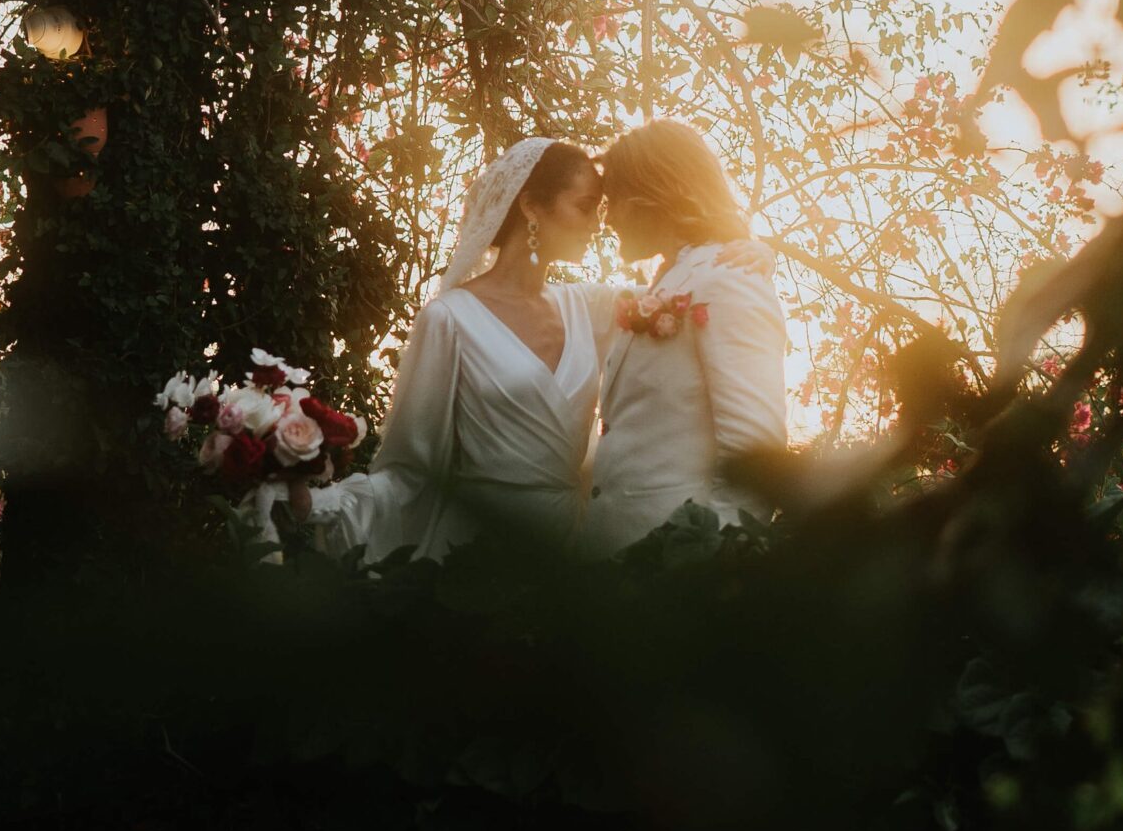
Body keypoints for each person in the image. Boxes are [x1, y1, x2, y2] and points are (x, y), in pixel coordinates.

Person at [271, 138, 606, 563]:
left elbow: (675, 299)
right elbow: (412, 469)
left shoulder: (587, 308)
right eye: (586, 206)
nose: (597, 224)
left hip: (572, 549)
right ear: (531, 206)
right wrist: (318, 504)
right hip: (480, 553)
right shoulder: (450, 319)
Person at [580, 121, 788, 557]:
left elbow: (756, 453)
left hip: (674, 567)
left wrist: (707, 568)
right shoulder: (666, 284)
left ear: (652, 193)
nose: (607, 218)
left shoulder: (730, 280)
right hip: (615, 561)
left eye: (613, 199)